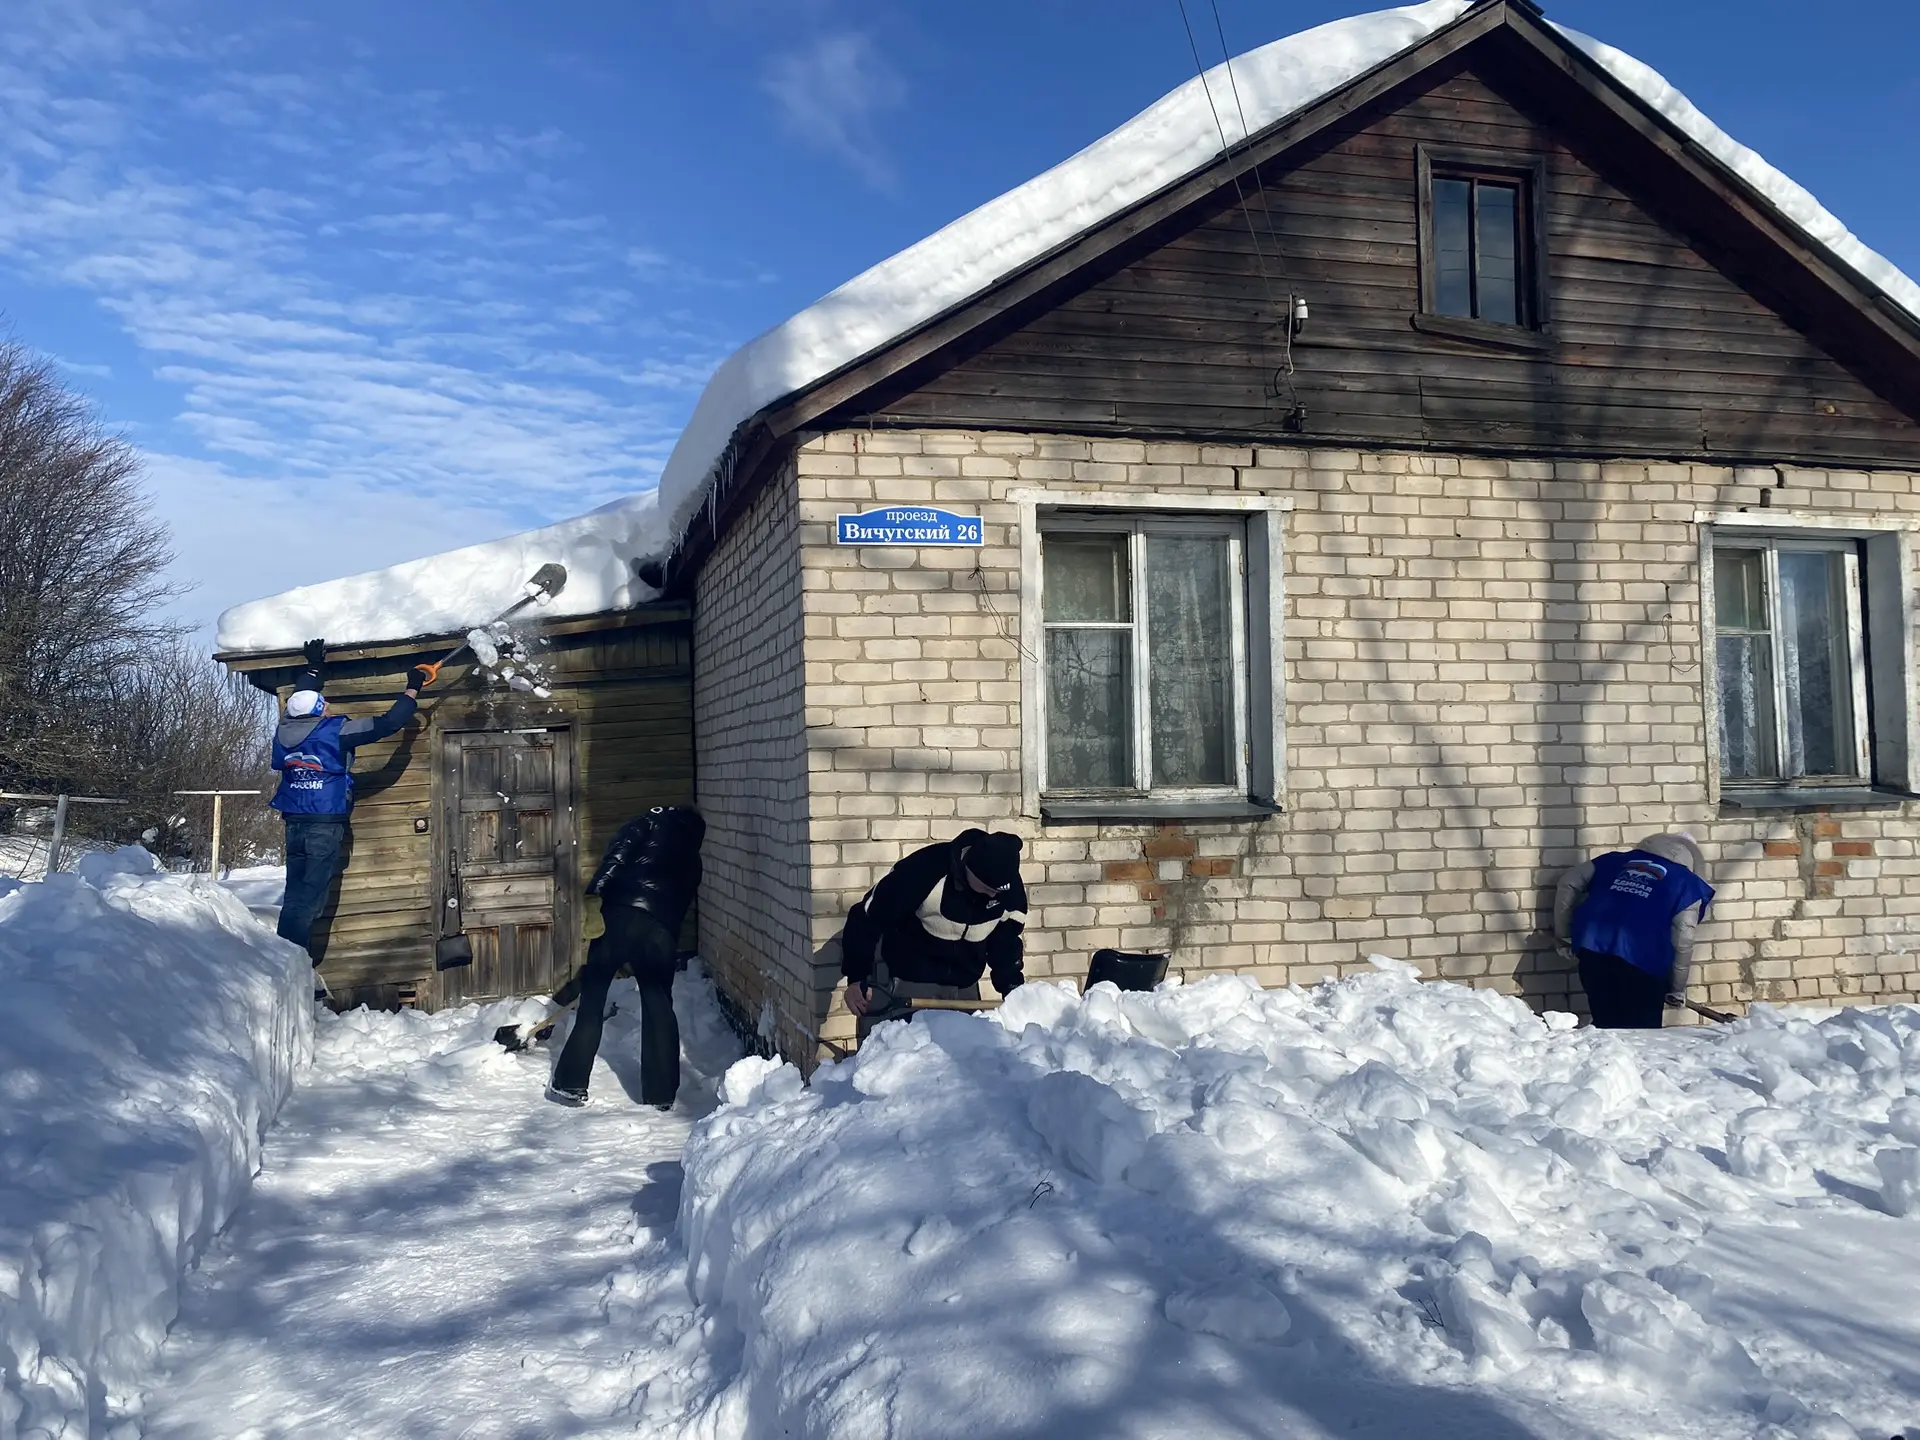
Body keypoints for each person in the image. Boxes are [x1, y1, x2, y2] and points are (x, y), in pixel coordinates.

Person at [271, 638, 430, 964]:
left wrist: (314, 667)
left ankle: (284, 956)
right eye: (324, 705)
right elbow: (387, 723)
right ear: (319, 711)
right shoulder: (334, 732)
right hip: (323, 823)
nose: (328, 706)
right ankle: (289, 965)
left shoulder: (284, 732)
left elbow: (301, 699)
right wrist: (412, 688)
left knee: (295, 894)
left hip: (294, 821)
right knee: (310, 899)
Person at [547, 806, 705, 1110]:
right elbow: (681, 906)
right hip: (659, 930)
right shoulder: (693, 860)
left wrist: (593, 898)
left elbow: (614, 860)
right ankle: (661, 1093)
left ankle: (571, 1083)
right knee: (659, 1006)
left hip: (617, 918)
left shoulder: (646, 823)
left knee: (593, 1000)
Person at [841, 828, 1027, 1040]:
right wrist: (856, 977)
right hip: (911, 986)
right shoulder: (926, 869)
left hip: (965, 989)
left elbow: (1005, 943)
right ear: (970, 869)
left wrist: (1012, 988)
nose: (993, 895)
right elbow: (867, 918)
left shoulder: (1007, 890)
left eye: (998, 891)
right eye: (988, 888)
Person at [1553, 832, 1714, 1029]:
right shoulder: (1686, 883)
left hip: (1592, 954)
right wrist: (1676, 989)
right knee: (1642, 1036)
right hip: (1644, 966)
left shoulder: (1611, 861)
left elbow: (1568, 882)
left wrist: (1564, 935)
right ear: (1693, 860)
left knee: (1606, 1029)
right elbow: (1683, 940)